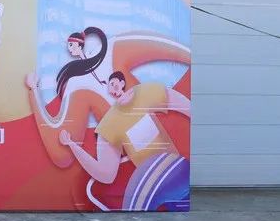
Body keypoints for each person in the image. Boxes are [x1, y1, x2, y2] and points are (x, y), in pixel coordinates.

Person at [25, 26, 191, 169]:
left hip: (148, 127)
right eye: (68, 46)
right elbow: (61, 155)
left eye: (71, 45)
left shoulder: (112, 51)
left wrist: (191, 57)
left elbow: (162, 47)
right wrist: (34, 91)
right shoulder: (76, 84)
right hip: (122, 139)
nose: (69, 49)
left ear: (79, 44)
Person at [59, 71, 191, 210]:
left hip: (178, 171)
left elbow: (185, 106)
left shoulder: (145, 92)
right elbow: (106, 174)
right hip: (152, 185)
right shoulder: (109, 125)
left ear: (122, 82)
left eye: (113, 84)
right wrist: (72, 145)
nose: (112, 90)